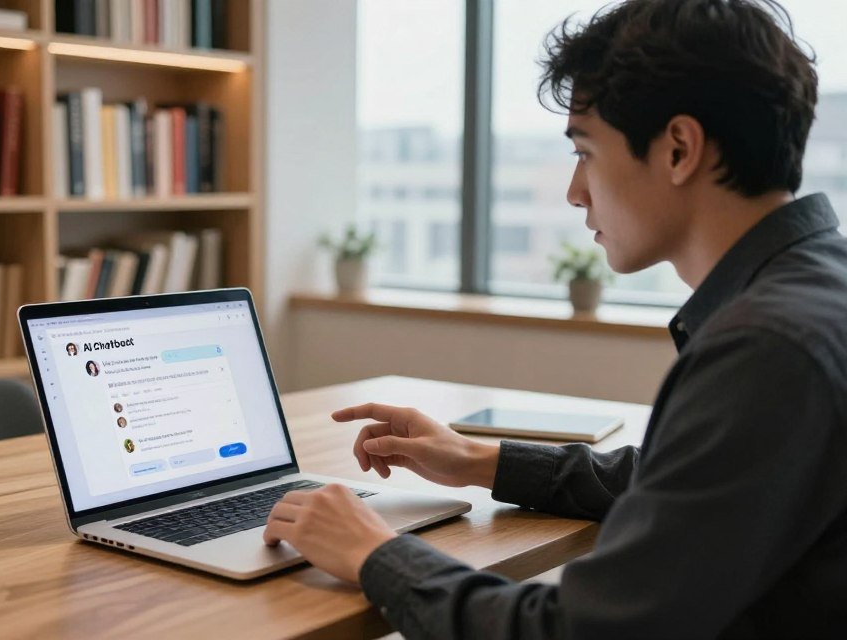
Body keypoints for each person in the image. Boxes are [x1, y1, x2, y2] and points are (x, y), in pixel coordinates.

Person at [262, 1, 847, 638]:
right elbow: (690, 484)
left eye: (585, 151)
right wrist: (478, 459)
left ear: (679, 149)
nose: (574, 191)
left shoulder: (767, 349)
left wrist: (374, 553)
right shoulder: (817, 291)